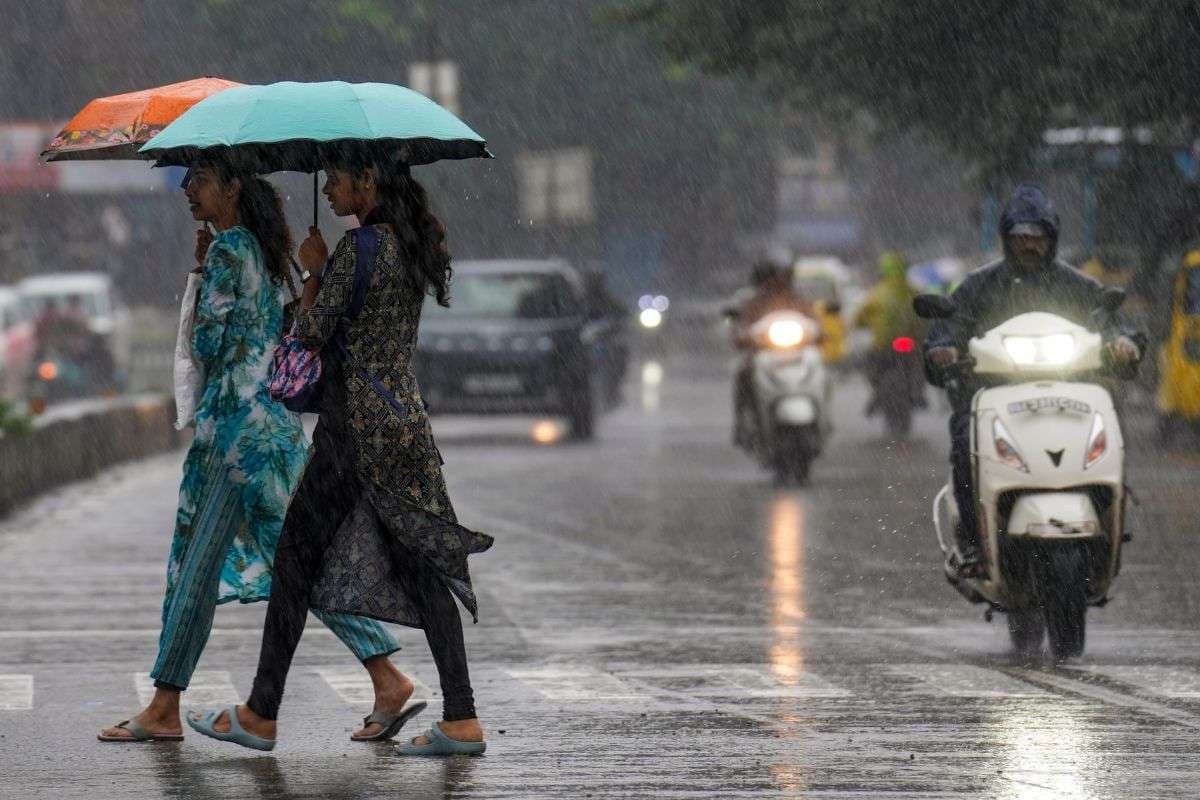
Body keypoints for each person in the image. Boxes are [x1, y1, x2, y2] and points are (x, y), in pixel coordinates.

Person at [185, 149, 494, 756]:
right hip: (402, 424)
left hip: (351, 434)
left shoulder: (359, 250)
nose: (330, 192)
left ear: (367, 181)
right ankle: (460, 717)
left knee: (295, 562)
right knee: (419, 567)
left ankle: (262, 712)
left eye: (338, 181)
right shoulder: (408, 247)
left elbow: (308, 333)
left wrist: (315, 272)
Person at [99, 161, 406, 744]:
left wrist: (199, 273)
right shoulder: (267, 249)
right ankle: (382, 672)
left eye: (200, 180)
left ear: (233, 186)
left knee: (206, 566)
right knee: (273, 564)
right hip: (272, 425)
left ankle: (168, 706)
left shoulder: (226, 251)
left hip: (233, 435)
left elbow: (208, 342)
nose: (189, 191)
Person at [924, 185, 1144, 577]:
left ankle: (1106, 526)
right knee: (964, 439)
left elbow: (1108, 320)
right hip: (993, 393)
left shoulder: (1077, 285)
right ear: (1007, 240)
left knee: (1111, 436)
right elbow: (950, 324)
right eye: (1020, 237)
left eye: (1036, 238)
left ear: (1051, 239)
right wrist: (943, 348)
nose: (1028, 245)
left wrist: (1122, 342)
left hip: (1069, 391)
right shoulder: (979, 285)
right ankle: (975, 542)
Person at [731, 262, 813, 446]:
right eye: (772, 279)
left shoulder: (798, 301)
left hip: (798, 356)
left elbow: (813, 320)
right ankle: (743, 424)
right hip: (763, 356)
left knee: (823, 371)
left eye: (782, 278)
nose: (777, 283)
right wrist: (743, 337)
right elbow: (741, 327)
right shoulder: (754, 303)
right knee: (742, 374)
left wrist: (820, 333)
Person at [853, 251, 926, 416]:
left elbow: (859, 318)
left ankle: (876, 393)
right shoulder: (913, 292)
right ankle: (918, 393)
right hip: (908, 343)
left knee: (869, 365)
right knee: (920, 363)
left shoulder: (876, 293)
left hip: (884, 343)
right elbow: (925, 318)